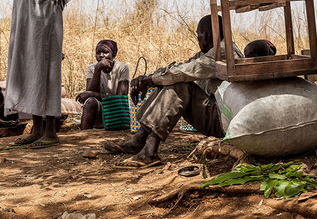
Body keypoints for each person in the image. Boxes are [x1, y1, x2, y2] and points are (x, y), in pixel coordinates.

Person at [103, 14, 243, 166]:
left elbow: (184, 72)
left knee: (179, 84)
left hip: (222, 122)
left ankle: (150, 151)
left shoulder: (223, 52)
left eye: (198, 35)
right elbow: (177, 69)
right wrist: (149, 80)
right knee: (171, 80)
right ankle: (139, 139)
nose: (197, 40)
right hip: (215, 116)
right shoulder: (209, 52)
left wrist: (149, 80)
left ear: (207, 35)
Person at [4, 0, 69, 149]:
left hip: (45, 30)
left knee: (47, 76)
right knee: (32, 74)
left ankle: (51, 132)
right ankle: (37, 128)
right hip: (27, 31)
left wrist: (48, 28)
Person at [76, 40, 130, 130]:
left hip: (115, 110)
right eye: (98, 53)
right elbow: (89, 95)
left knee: (91, 97)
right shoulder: (92, 68)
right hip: (100, 109)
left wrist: (92, 94)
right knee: (90, 101)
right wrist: (98, 69)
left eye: (105, 52)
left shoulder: (122, 68)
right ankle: (84, 133)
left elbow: (120, 98)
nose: (101, 55)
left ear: (114, 54)